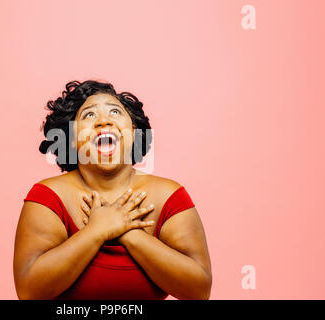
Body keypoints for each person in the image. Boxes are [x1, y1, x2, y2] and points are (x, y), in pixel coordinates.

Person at [13, 80, 212, 300]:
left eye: (115, 112)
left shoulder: (169, 196)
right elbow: (30, 292)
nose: (103, 121)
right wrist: (96, 231)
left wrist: (128, 231)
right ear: (70, 139)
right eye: (89, 115)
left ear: (134, 132)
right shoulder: (47, 197)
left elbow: (198, 290)